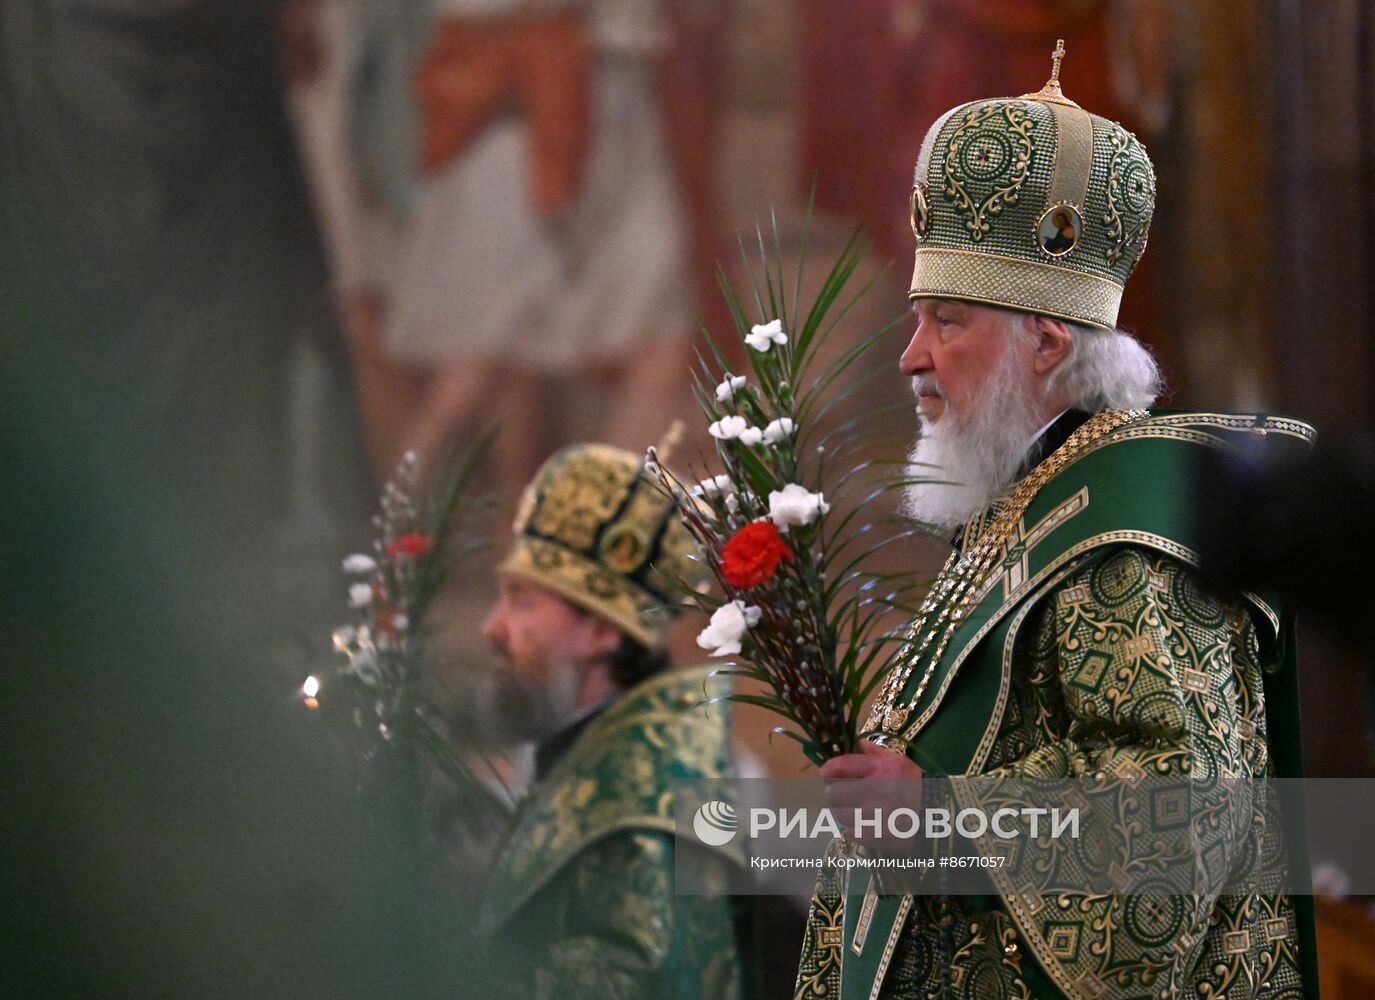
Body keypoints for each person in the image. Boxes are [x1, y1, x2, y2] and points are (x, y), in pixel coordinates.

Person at [793, 44, 1318, 1000]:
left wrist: (939, 815)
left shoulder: (1133, 528)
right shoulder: (1024, 498)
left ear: (1044, 338)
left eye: (947, 321)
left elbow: (1175, 825)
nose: (912, 356)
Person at [475, 442, 756, 999]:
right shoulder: (612, 748)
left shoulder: (644, 813)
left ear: (604, 630)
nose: (492, 626)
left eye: (522, 600)